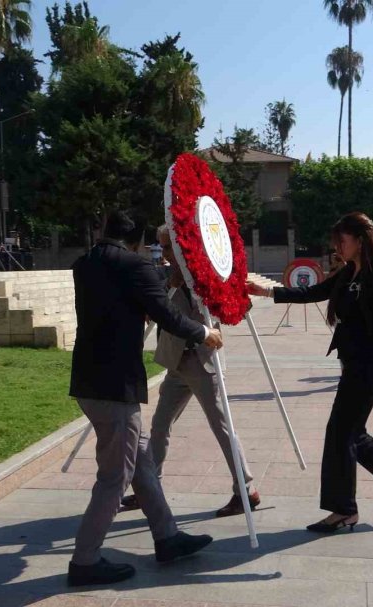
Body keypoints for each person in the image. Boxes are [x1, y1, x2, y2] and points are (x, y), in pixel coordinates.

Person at [246, 212, 373, 533]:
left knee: (341, 435)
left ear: (360, 241)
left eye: (342, 241)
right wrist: (266, 293)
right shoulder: (348, 273)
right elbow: (311, 293)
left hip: (371, 363)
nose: (338, 248)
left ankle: (346, 509)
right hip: (353, 364)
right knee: (350, 436)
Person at [68, 209, 221, 586]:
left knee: (142, 462)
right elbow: (167, 315)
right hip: (114, 385)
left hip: (89, 378)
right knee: (115, 477)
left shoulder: (84, 264)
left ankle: (167, 537)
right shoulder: (134, 266)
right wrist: (204, 333)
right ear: (136, 241)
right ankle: (85, 561)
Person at [120, 225, 260, 518]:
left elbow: (222, 308)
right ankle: (149, 488)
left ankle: (245, 489)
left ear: (183, 247)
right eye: (161, 247)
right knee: (160, 425)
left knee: (222, 426)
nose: (164, 254)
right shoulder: (166, 276)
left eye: (169, 247)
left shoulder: (204, 275)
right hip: (176, 363)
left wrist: (192, 286)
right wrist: (168, 285)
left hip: (202, 362)